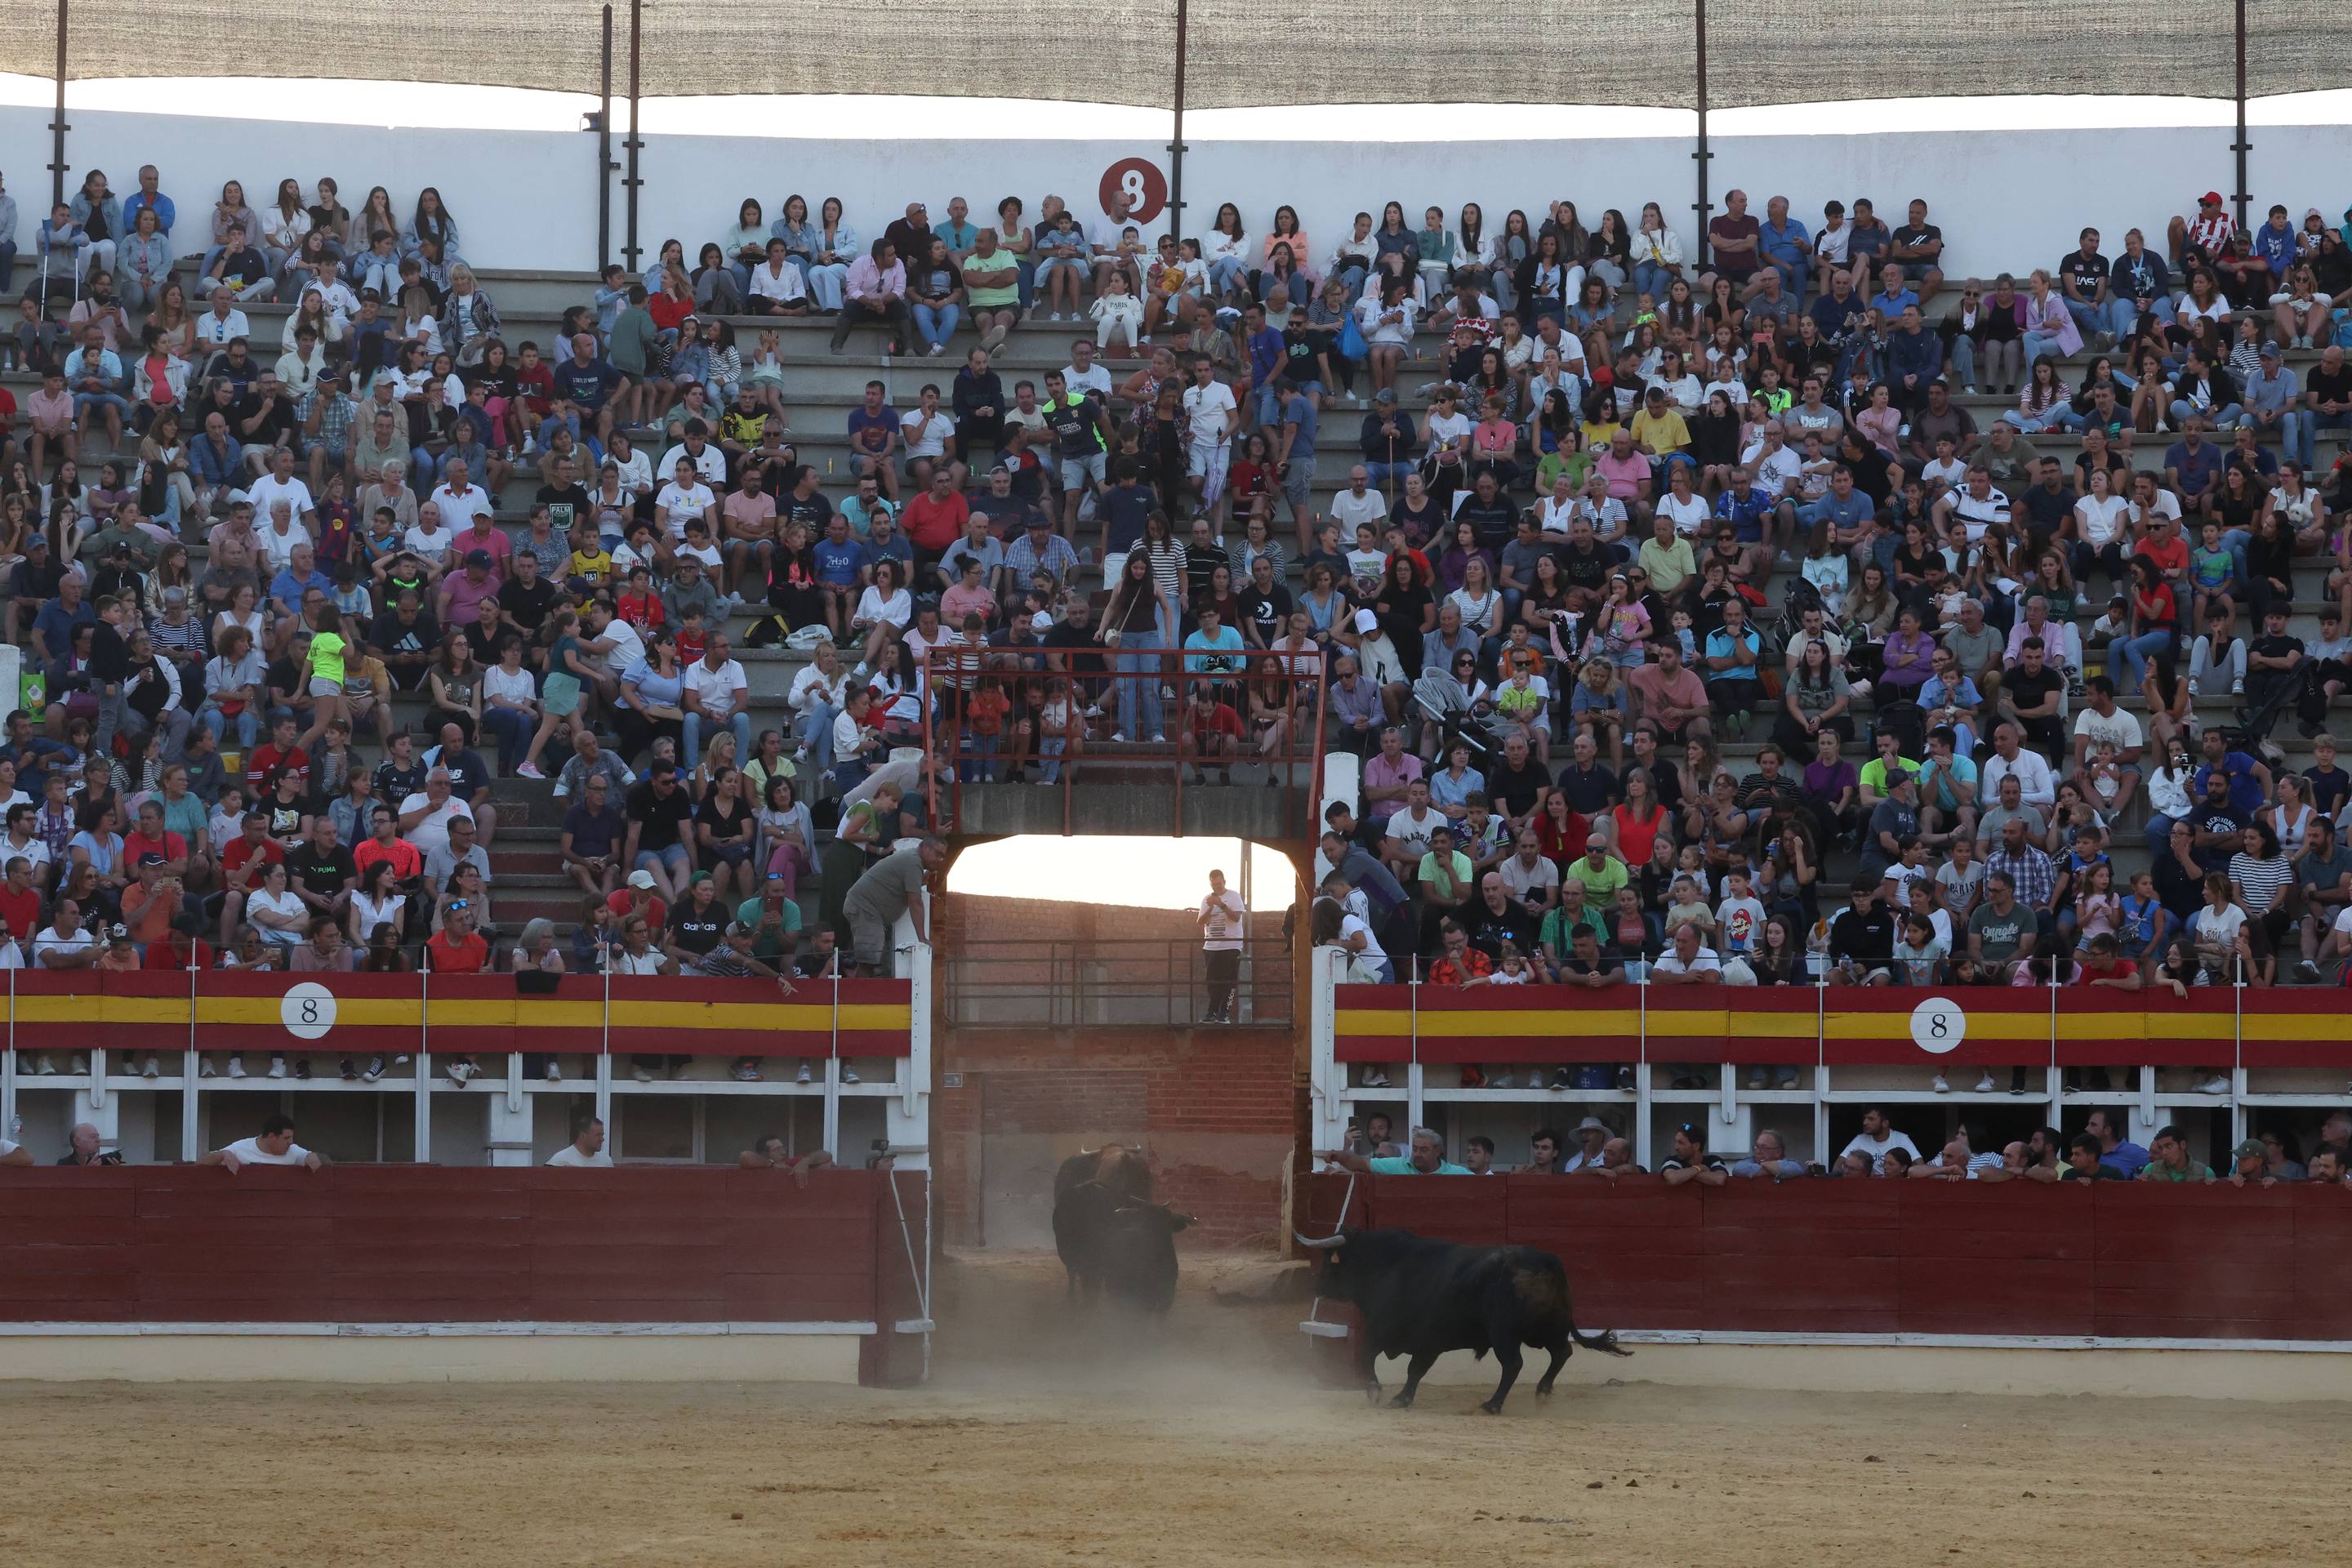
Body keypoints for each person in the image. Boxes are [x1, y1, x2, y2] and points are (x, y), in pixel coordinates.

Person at [1316, 1126, 1472, 1176]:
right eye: (1415, 1149)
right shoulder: (1399, 1165)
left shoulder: (1460, 1174)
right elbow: (1361, 1163)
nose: (1417, 1154)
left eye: (1424, 1150)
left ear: (1438, 1151)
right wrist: (1339, 1155)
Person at [196, 1112, 325, 1171]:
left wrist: (312, 1156)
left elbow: (319, 1159)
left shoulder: (294, 1151)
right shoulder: (241, 1148)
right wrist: (222, 1154)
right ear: (272, 1136)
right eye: (286, 1138)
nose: (291, 1143)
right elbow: (201, 1162)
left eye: (291, 1138)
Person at [1199, 866, 1246, 1025]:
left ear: (1224, 882)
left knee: (1228, 981)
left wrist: (1221, 905)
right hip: (1211, 947)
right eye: (1214, 884)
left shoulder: (1233, 896)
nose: (1216, 886)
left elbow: (1236, 918)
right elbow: (1200, 922)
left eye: (1219, 883)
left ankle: (1224, 1014)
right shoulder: (1207, 899)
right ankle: (1211, 1013)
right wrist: (1211, 907)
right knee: (1212, 982)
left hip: (1230, 946)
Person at [546, 1116, 613, 1168]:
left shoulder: (606, 1162)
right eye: (598, 1135)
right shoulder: (560, 1161)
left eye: (602, 1135)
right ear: (583, 1136)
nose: (602, 1139)